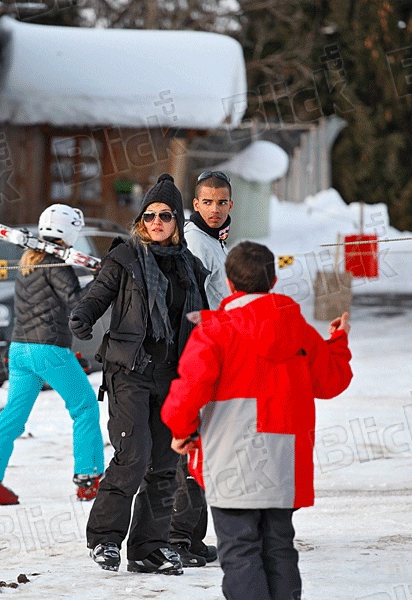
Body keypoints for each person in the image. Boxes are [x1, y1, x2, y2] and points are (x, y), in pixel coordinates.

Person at [161, 241, 353, 600]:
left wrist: (181, 432)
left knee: (239, 552)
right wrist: (338, 341)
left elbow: (188, 392)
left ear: (230, 284)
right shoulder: (297, 330)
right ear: (274, 279)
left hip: (229, 456)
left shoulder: (214, 330)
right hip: (284, 460)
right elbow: (331, 382)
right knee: (279, 548)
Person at [69, 173, 209, 575]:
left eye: (165, 215)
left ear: (178, 221)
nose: (156, 222)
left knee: (165, 465)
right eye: (149, 216)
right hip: (129, 371)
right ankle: (106, 541)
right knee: (133, 457)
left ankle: (149, 548)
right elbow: (98, 295)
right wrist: (82, 317)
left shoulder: (192, 268)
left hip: (172, 375)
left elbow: (203, 320)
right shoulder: (124, 258)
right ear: (141, 220)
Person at [0, 204, 105, 506]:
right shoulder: (57, 265)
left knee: (13, 417)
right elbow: (79, 304)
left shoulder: (28, 262)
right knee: (85, 407)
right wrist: (101, 280)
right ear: (68, 230)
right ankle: (89, 478)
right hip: (49, 349)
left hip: (20, 350)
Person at [169, 170, 234, 567]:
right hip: (197, 355)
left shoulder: (217, 240)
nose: (213, 209)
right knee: (189, 450)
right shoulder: (194, 242)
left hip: (215, 353)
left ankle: (192, 537)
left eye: (221, 202)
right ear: (195, 205)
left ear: (231, 205)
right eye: (206, 202)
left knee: (206, 448)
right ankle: (178, 536)